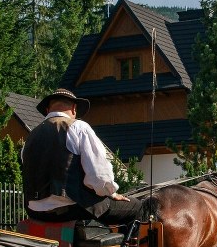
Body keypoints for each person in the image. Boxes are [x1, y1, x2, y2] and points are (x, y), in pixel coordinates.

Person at [21, 88, 150, 226]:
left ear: (47, 110)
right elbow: (98, 173)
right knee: (138, 208)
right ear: (74, 108)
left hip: (34, 211)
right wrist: (111, 192)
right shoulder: (78, 127)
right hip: (72, 208)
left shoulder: (31, 136)